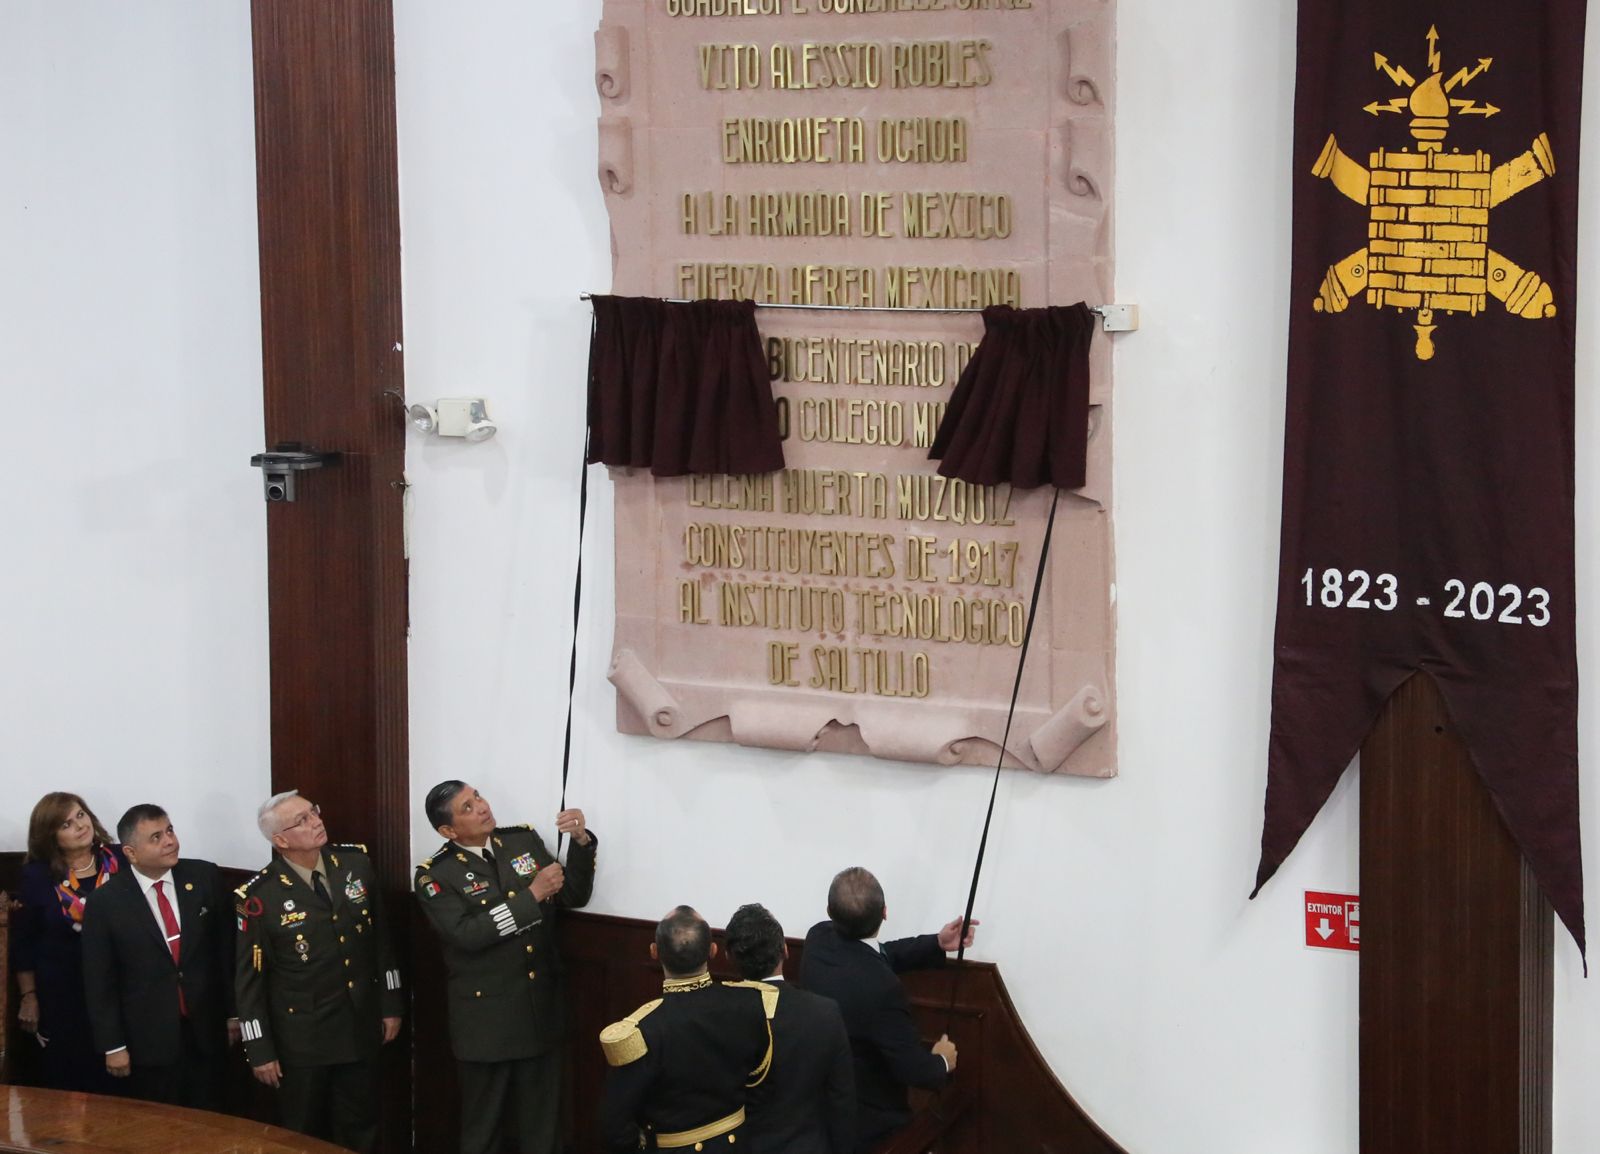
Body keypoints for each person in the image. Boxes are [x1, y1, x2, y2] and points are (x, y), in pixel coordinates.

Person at [414, 781, 597, 1154]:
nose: (481, 807)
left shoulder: (520, 841)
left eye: (477, 797)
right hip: (487, 1022)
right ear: (448, 831)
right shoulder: (435, 875)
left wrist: (581, 842)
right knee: (484, 1130)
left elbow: (573, 894)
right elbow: (467, 934)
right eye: (467, 808)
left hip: (538, 1009)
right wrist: (531, 896)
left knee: (543, 1130)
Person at [235, 791, 403, 1153]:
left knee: (361, 1125)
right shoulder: (260, 896)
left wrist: (390, 1003)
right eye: (303, 820)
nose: (316, 821)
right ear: (280, 840)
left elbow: (381, 943)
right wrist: (259, 1049)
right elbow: (250, 981)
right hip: (302, 1040)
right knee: (301, 1133)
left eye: (314, 812)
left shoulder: (355, 864)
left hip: (359, 1025)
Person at [799, 867, 974, 1153]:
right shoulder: (883, 989)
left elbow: (872, 955)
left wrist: (936, 943)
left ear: (829, 911)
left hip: (817, 1108)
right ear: (885, 912)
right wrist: (942, 1061)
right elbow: (914, 1070)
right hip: (868, 1126)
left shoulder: (819, 939)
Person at [80, 804, 238, 1109]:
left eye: (170, 830)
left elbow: (225, 952)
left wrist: (234, 1013)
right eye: (156, 837)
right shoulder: (105, 902)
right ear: (131, 852)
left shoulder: (204, 876)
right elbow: (99, 981)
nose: (170, 841)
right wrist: (113, 1045)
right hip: (148, 1041)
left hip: (207, 1032)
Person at [600, 906, 774, 1153]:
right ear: (713, 951)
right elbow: (758, 1079)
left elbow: (614, 1124)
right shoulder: (750, 1004)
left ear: (654, 952)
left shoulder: (643, 1030)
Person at [9, 793, 125, 1092]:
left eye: (81, 815)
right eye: (66, 824)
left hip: (120, 992)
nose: (79, 825)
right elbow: (24, 943)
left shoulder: (120, 860)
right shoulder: (37, 876)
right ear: (51, 837)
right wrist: (29, 996)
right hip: (64, 997)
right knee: (70, 1084)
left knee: (122, 1088)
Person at [724, 902, 854, 1154]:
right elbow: (842, 1102)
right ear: (785, 950)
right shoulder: (825, 1014)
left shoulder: (715, 1015)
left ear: (729, 957)